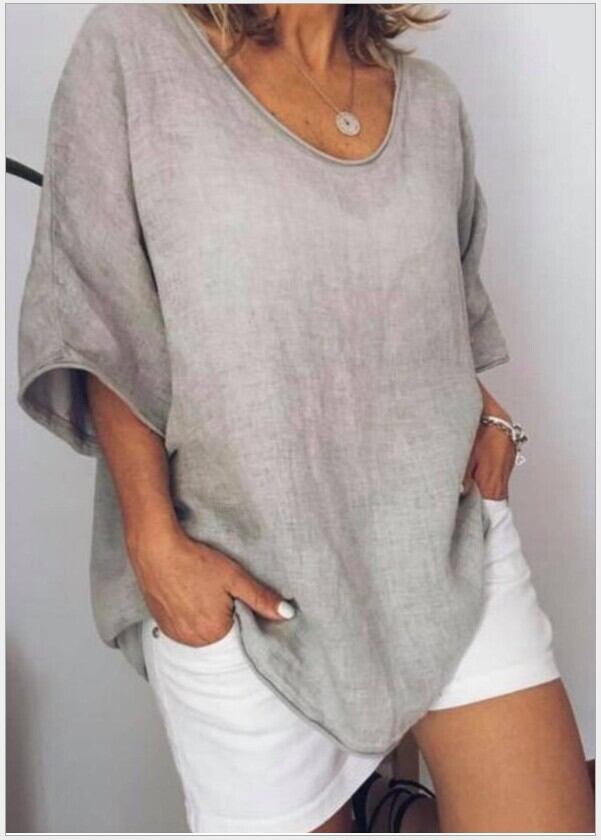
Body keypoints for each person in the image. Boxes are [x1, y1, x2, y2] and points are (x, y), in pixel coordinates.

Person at [16, 3, 594, 833]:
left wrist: (490, 423)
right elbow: (101, 309)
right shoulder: (135, 47)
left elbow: (442, 308)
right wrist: (153, 541)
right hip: (238, 570)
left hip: (442, 552)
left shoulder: (431, 103)